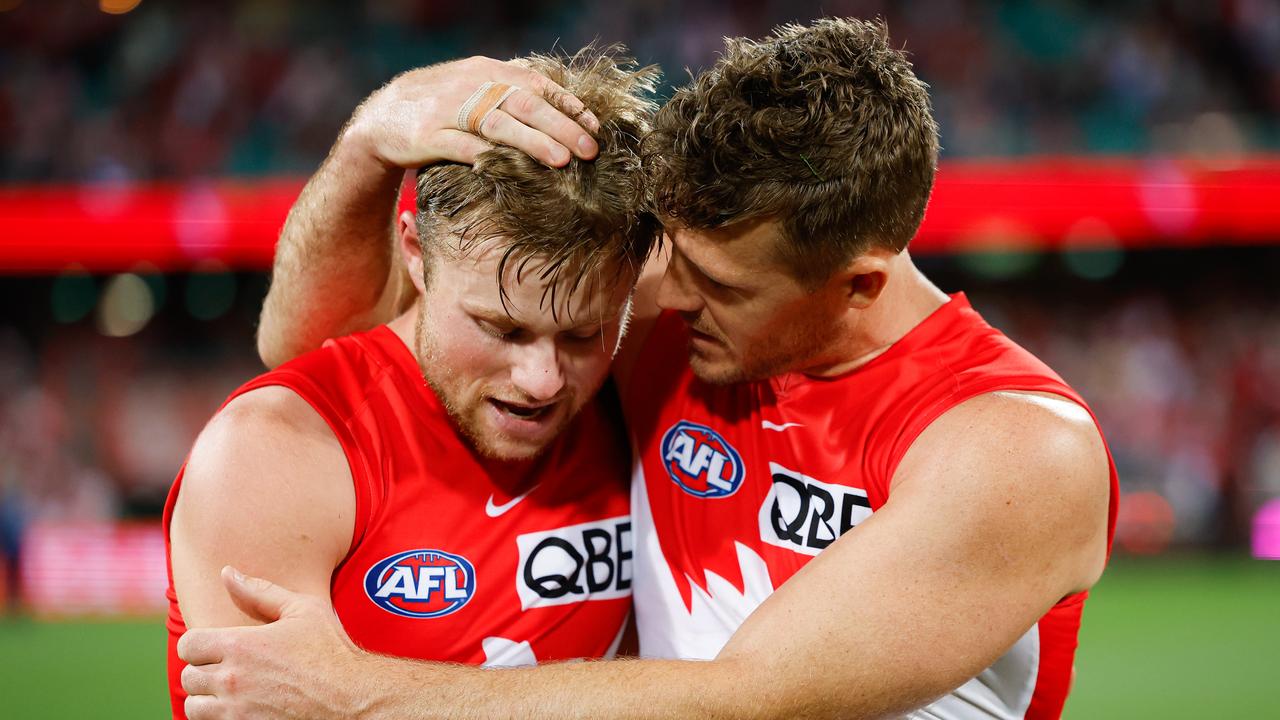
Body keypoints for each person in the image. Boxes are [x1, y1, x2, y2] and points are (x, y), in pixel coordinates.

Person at [178, 17, 1118, 720]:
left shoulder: (1017, 448)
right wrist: (370, 142)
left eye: (713, 281)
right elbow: (321, 347)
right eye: (669, 257)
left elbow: (749, 698)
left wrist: (357, 693)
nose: (667, 296)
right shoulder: (670, 321)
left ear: (858, 284)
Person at [164, 48, 660, 719]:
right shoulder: (274, 455)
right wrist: (369, 139)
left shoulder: (642, 386)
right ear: (416, 254)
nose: (542, 381)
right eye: (502, 329)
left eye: (583, 335)